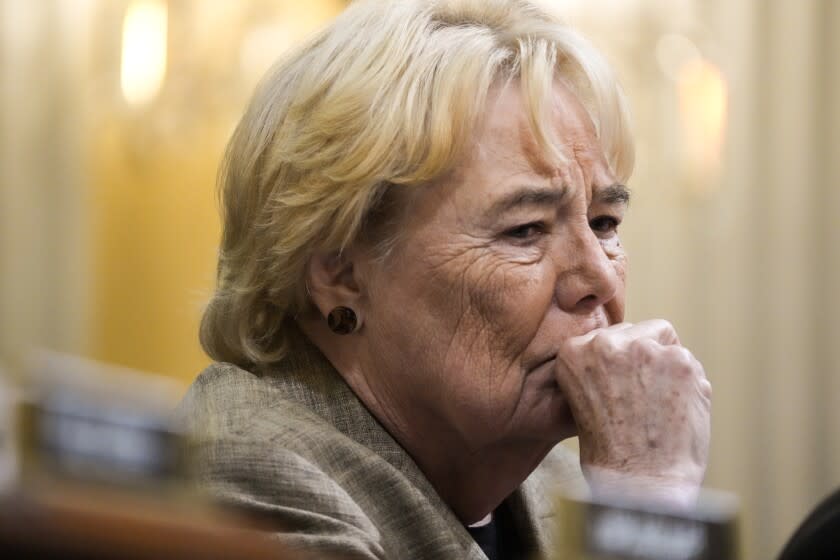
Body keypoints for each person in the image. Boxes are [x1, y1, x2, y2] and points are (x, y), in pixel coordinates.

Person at [178, 1, 712, 558]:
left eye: (604, 223)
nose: (599, 278)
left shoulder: (556, 474)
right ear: (340, 273)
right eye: (525, 230)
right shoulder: (250, 471)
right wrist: (643, 505)